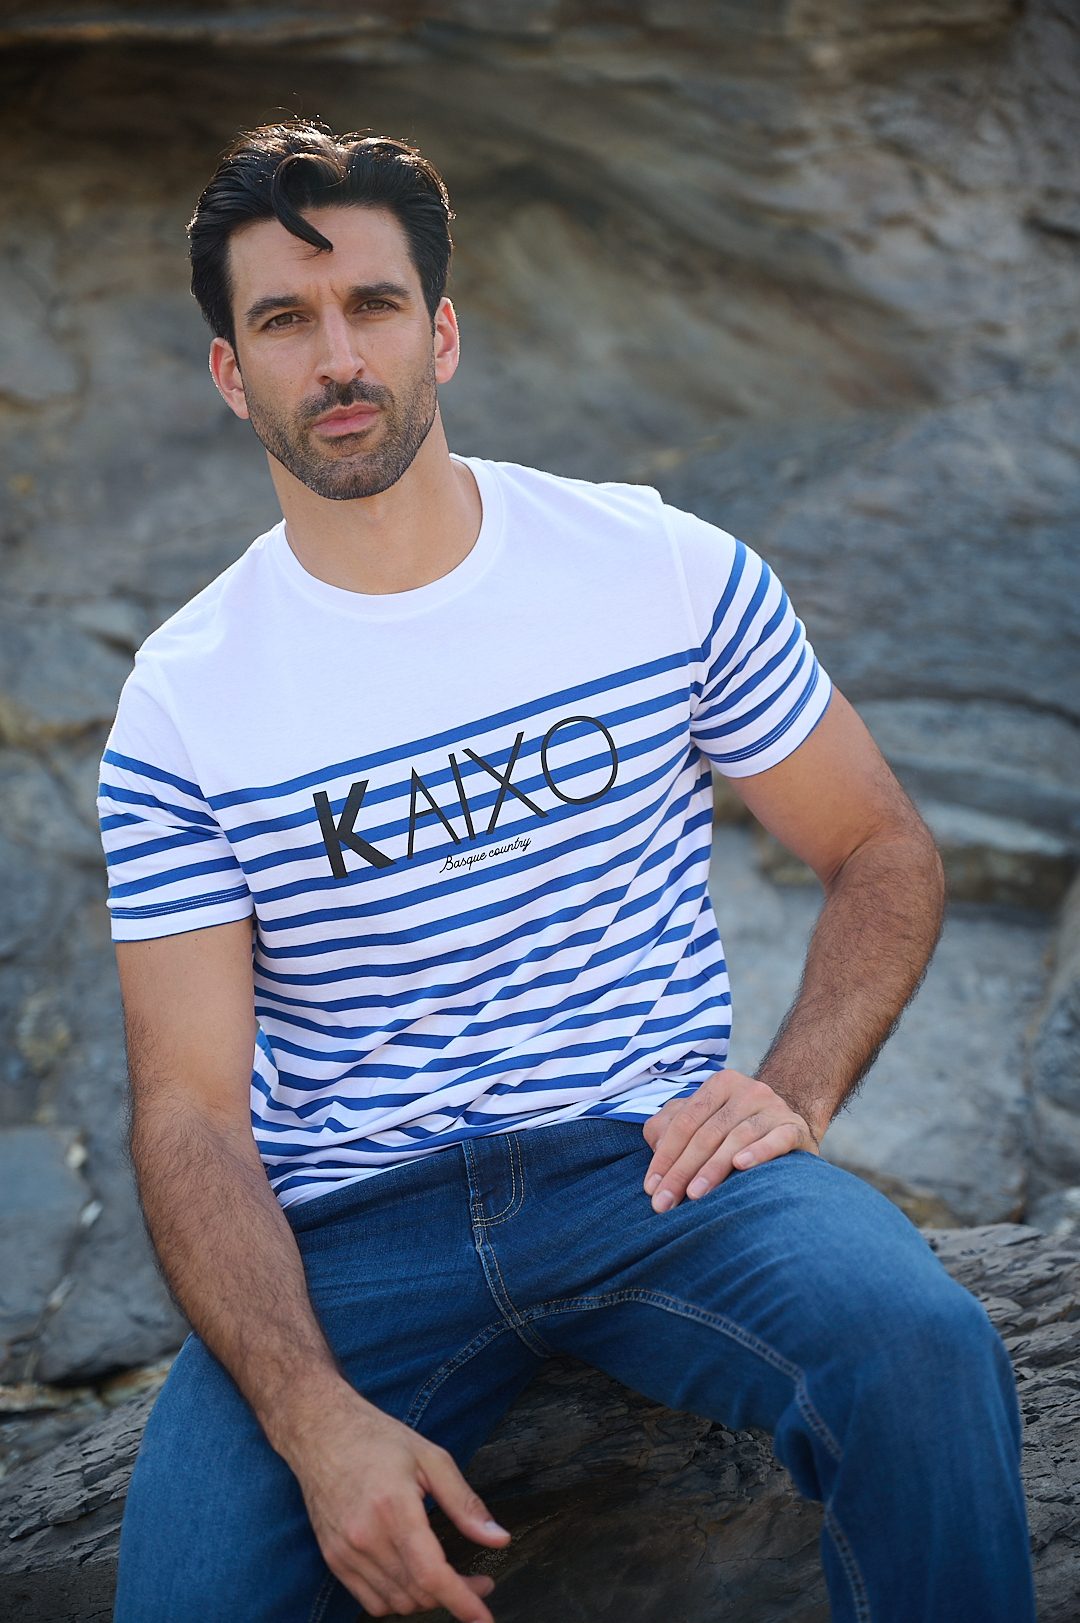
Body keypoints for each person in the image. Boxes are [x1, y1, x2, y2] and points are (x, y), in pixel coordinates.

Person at [101, 121, 1033, 1623]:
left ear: (441, 332)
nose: (336, 358)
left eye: (373, 305)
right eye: (283, 320)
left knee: (918, 1347)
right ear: (230, 372)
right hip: (349, 1239)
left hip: (652, 1166)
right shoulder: (183, 701)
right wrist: (316, 1419)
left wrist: (795, 1091)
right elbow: (191, 1113)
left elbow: (879, 846)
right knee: (187, 1598)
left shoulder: (654, 568)